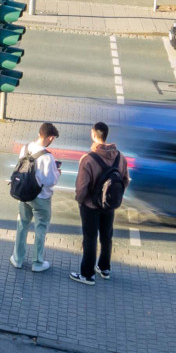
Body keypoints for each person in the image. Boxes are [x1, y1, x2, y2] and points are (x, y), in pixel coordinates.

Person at [71, 121, 126, 285]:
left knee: (90, 237)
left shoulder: (88, 159)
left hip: (90, 205)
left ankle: (87, 274)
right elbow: (125, 180)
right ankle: (104, 267)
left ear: (94, 134)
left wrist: (80, 201)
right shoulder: (119, 157)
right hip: (109, 204)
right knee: (106, 235)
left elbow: (82, 187)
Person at [11, 122, 60, 272]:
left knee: (22, 224)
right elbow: (50, 181)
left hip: (24, 194)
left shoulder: (25, 148)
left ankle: (17, 259)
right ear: (50, 138)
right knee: (40, 228)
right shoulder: (47, 157)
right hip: (41, 198)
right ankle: (37, 263)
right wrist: (58, 172)